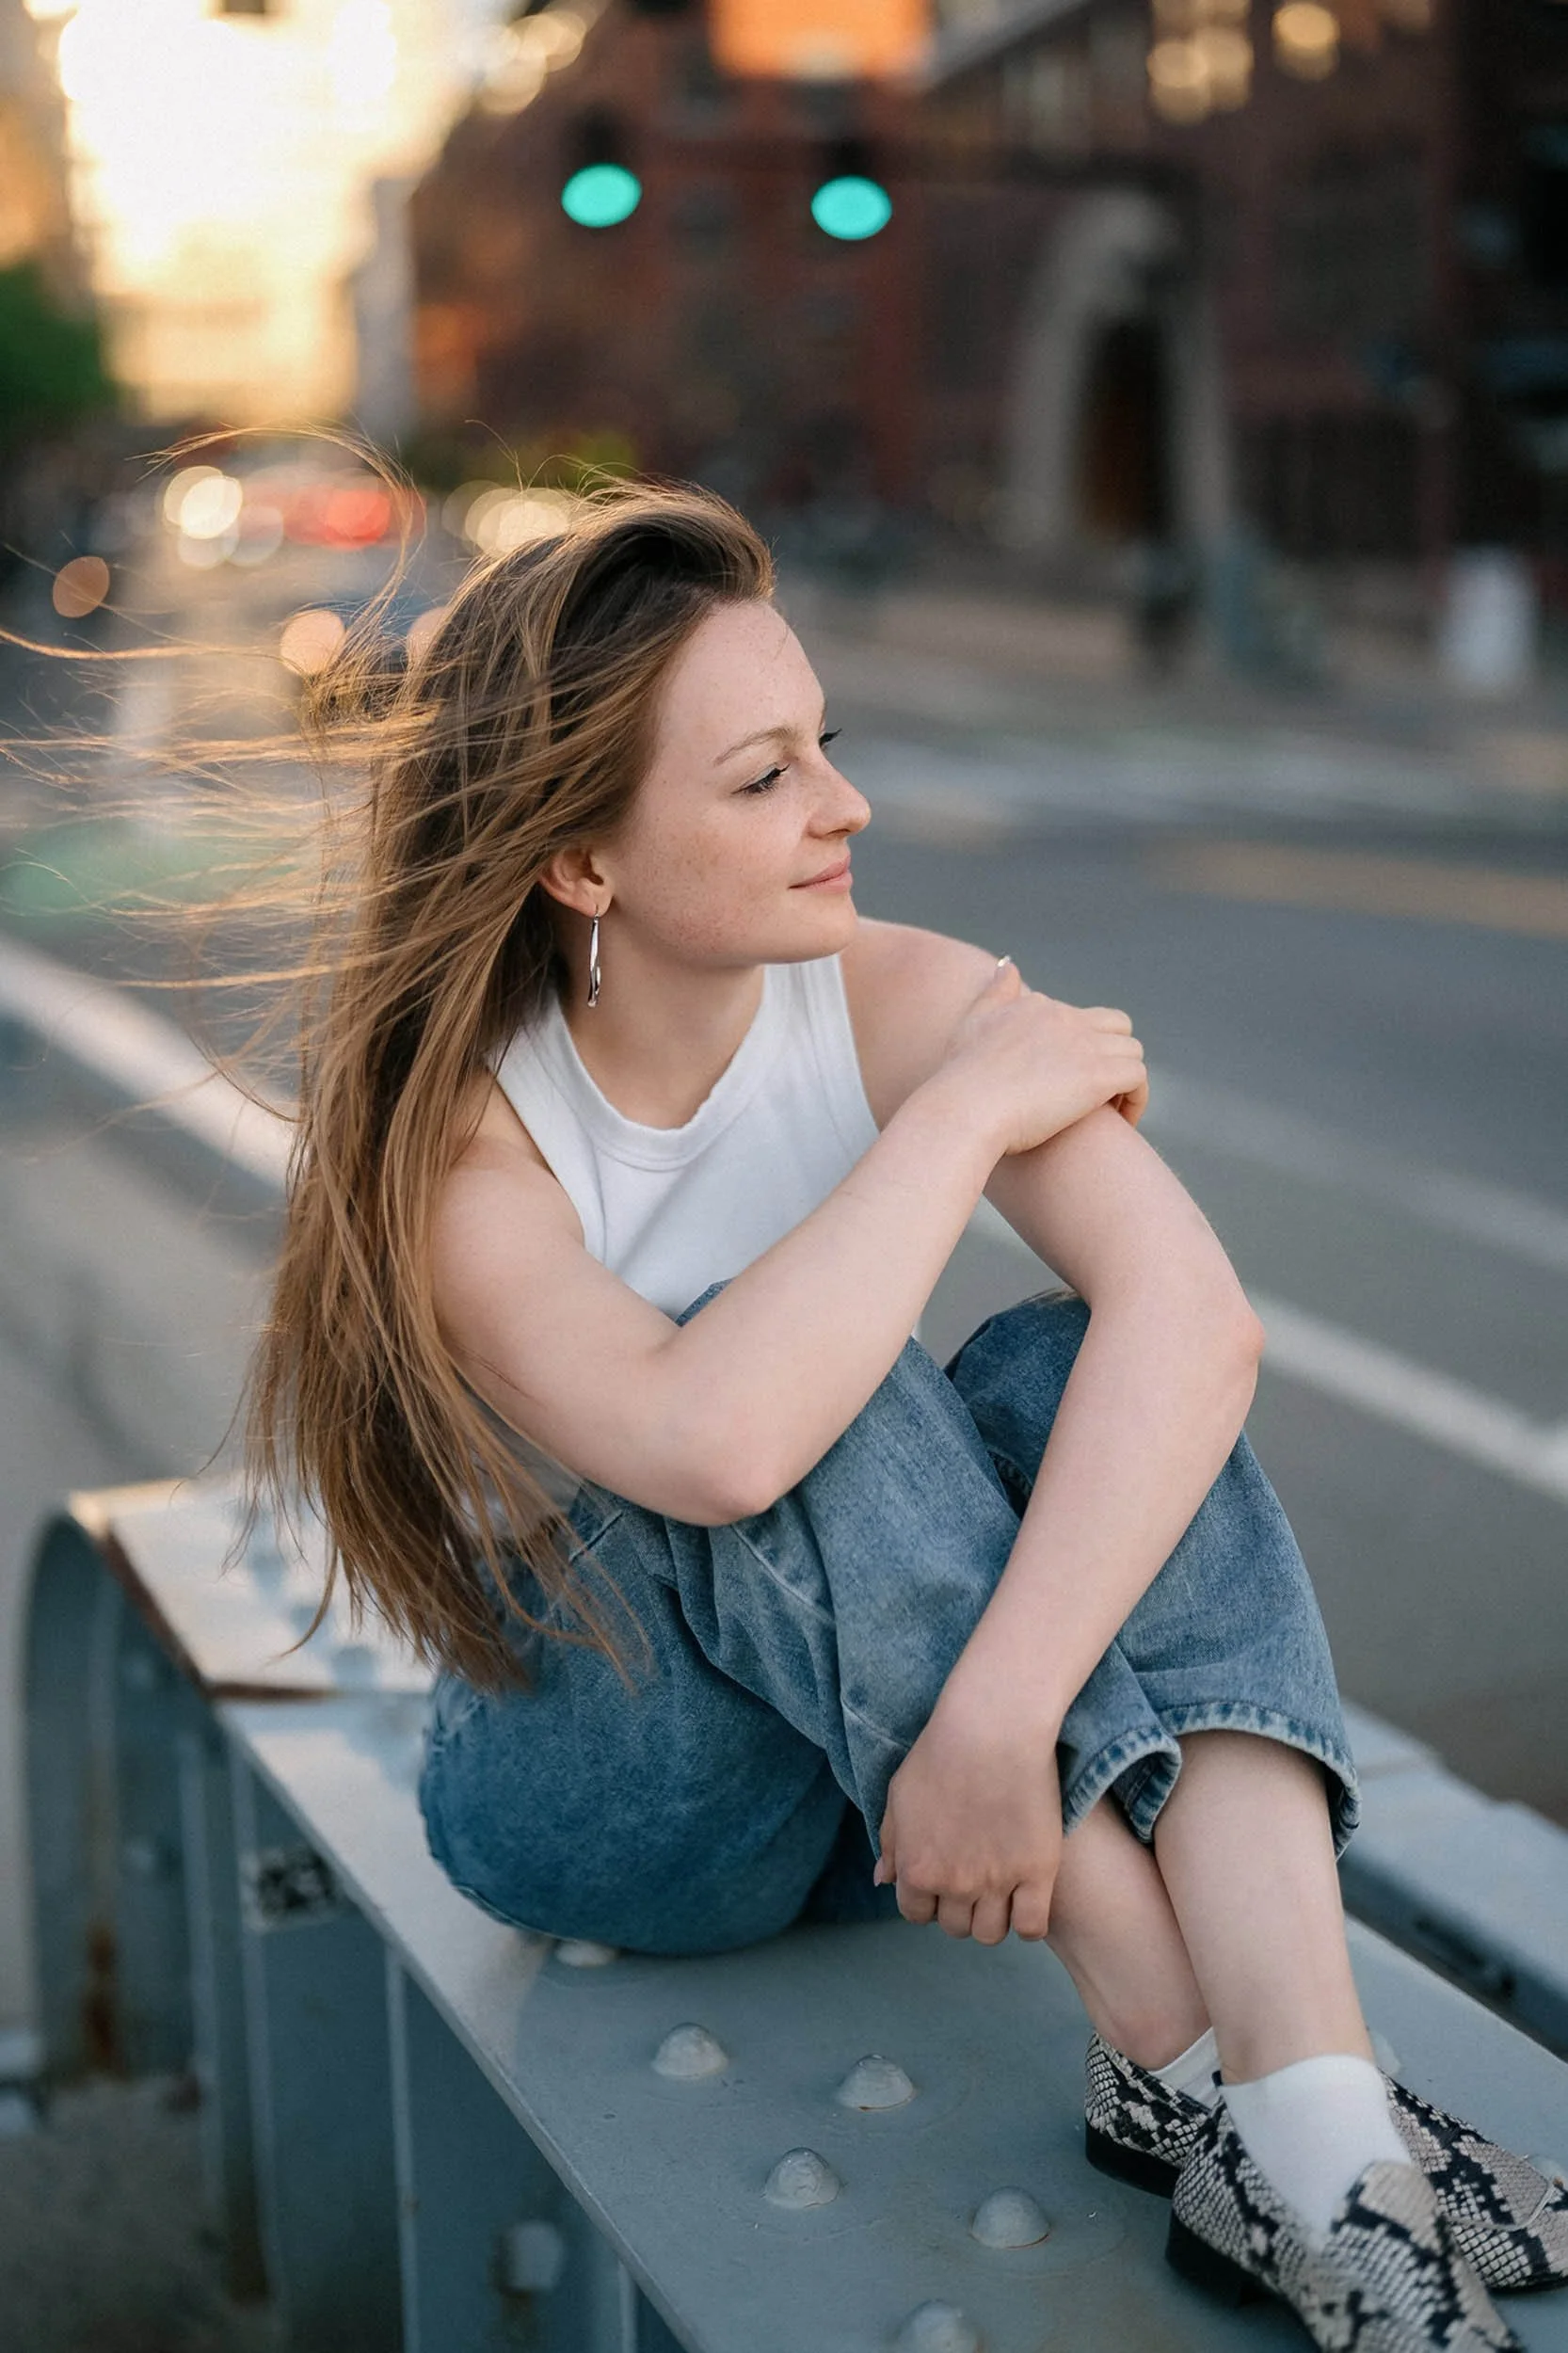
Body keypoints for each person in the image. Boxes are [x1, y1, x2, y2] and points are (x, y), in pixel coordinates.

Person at [247, 478, 1563, 2351]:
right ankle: (1172, 2038)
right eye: (762, 775)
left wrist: (1001, 1717)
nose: (842, 807)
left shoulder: (902, 987)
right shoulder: (468, 1130)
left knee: (1073, 1359)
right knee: (767, 1360)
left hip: (915, 1793)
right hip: (607, 1797)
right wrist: (951, 1120)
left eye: (826, 749)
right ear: (580, 861)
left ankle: (1311, 2111)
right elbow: (710, 1445)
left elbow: (1192, 1324)